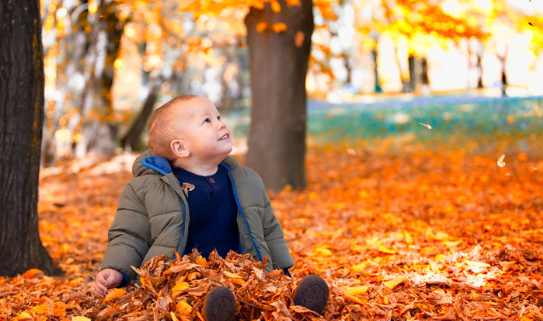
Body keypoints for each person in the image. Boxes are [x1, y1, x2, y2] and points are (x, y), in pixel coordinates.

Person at [93, 94, 329, 320]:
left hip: (242, 275)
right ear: (180, 148)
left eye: (218, 117)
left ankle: (296, 302)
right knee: (195, 301)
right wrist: (117, 270)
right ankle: (217, 310)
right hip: (182, 283)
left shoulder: (247, 181)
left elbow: (269, 231)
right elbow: (130, 236)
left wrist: (282, 272)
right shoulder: (147, 188)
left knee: (263, 294)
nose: (220, 125)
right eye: (207, 121)